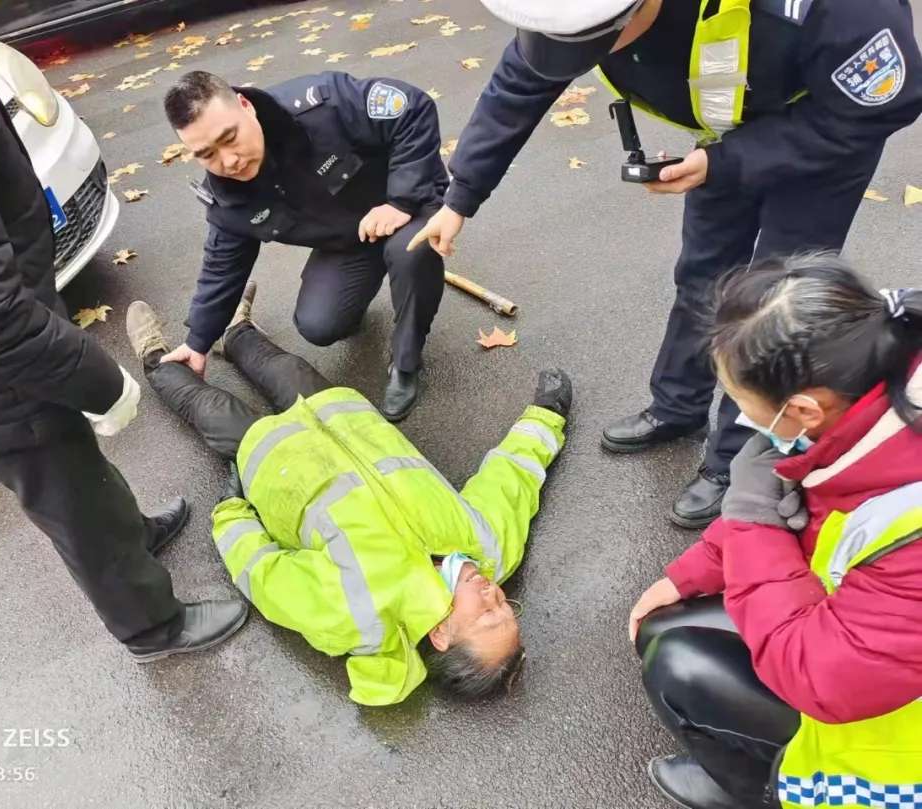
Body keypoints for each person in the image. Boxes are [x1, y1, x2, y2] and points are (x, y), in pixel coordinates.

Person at [408, 0, 922, 528]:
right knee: (703, 276)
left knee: (775, 308)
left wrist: (729, 161)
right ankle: (677, 407)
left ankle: (737, 462)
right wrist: (460, 196)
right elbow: (523, 79)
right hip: (726, 130)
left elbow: (886, 101)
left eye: (600, 39)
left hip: (824, 130)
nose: (587, 55)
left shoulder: (842, 10)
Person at [0, 0, 246, 661]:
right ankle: (151, 625)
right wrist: (102, 381)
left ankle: (132, 533)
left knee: (77, 468)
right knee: (66, 490)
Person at [125, 283, 571, 704]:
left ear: (440, 635)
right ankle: (236, 330)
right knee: (284, 368)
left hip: (276, 465)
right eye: (506, 607)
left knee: (208, 408)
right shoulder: (490, 547)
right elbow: (512, 478)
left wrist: (231, 512)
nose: (494, 593)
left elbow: (267, 577)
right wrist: (547, 417)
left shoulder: (360, 618)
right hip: (344, 421)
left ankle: (153, 359)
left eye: (486, 614)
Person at [627, 255, 922, 809]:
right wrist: (687, 574)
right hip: (887, 652)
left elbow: (824, 681)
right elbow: (812, 504)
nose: (743, 419)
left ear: (806, 409)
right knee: (670, 623)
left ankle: (767, 793)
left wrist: (747, 518)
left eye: (742, 403)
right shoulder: (874, 388)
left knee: (680, 664)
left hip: (895, 737)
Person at [160, 69, 448, 422]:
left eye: (230, 137)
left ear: (245, 105)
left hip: (408, 207)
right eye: (208, 154)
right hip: (352, 239)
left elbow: (412, 108)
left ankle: (406, 361)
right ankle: (363, 289)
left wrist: (401, 201)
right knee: (318, 325)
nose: (229, 161)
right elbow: (223, 265)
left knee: (411, 253)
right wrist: (197, 342)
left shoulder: (322, 106)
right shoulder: (230, 197)